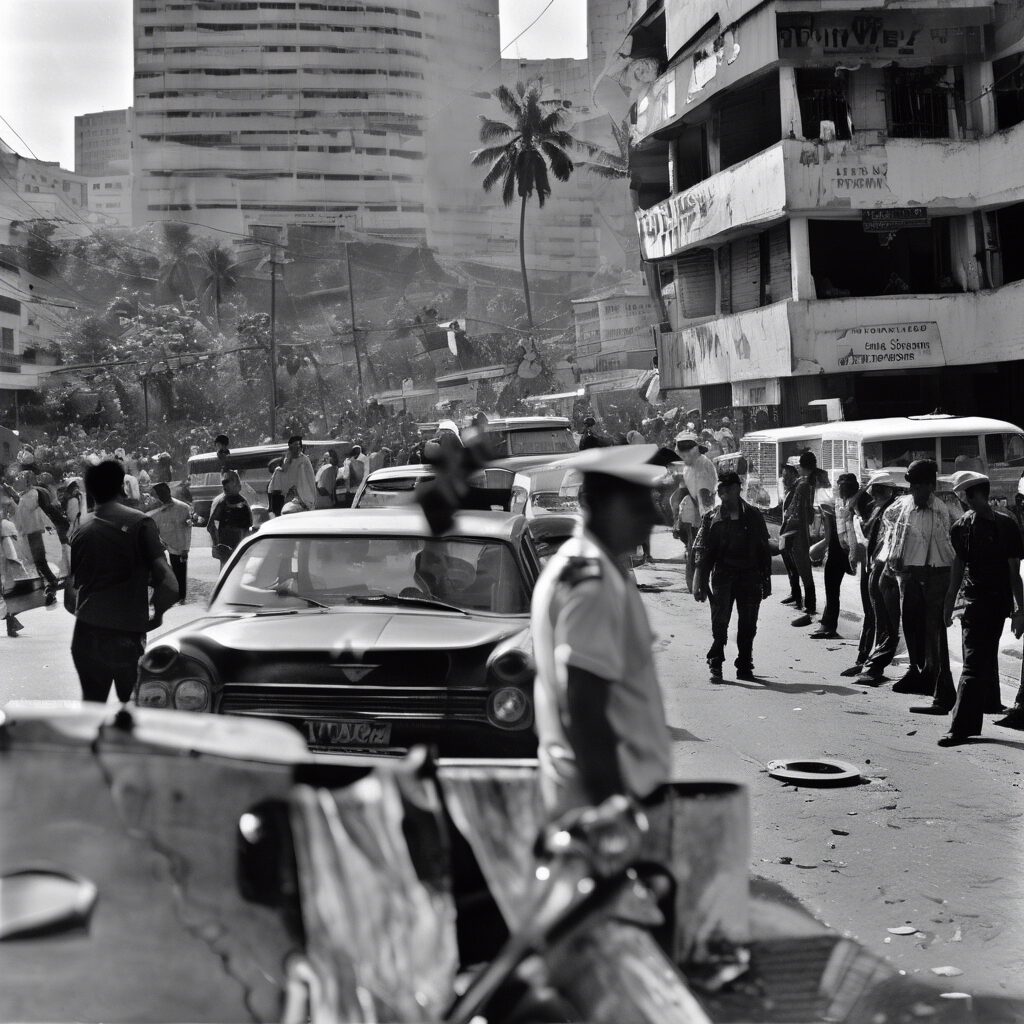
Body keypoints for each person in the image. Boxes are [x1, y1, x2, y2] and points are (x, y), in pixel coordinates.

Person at [531, 445, 672, 819]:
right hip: (605, 798)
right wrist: (613, 807)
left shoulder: (586, 566)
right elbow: (585, 704)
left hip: (599, 792)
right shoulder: (592, 582)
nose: (652, 519)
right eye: (640, 507)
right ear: (610, 507)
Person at [67, 459, 178, 702]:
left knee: (93, 709)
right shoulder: (141, 523)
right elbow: (170, 585)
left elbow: (69, 598)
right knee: (133, 711)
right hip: (126, 634)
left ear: (91, 492)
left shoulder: (81, 531)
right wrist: (156, 615)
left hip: (86, 635)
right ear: (122, 488)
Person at [937, 472, 1024, 746]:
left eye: (967, 496)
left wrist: (1020, 610)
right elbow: (958, 569)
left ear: (979, 495)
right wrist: (949, 604)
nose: (965, 501)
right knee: (975, 662)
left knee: (978, 662)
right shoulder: (961, 527)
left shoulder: (1007, 525)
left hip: (997, 605)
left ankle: (964, 723)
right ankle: (966, 722)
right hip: (974, 604)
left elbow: (1014, 572)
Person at [883, 459, 957, 714]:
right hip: (909, 574)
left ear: (929, 486)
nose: (913, 491)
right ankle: (916, 671)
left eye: (918, 486)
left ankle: (933, 679)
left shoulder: (940, 510)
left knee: (932, 630)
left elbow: (942, 546)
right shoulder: (905, 507)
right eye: (911, 487)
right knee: (910, 625)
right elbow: (889, 522)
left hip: (935, 574)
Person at [692, 470, 772, 681]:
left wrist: (766, 580)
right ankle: (716, 661)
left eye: (727, 489)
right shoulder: (711, 518)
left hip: (750, 576)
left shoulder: (754, 515)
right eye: (720, 489)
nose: (722, 493)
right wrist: (698, 582)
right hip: (723, 576)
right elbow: (702, 551)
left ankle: (744, 664)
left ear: (737, 488)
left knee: (748, 624)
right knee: (720, 622)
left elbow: (764, 548)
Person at [848, 471, 906, 681]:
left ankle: (874, 666)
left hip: (886, 568)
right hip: (874, 565)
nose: (874, 492)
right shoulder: (877, 508)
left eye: (879, 489)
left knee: (887, 622)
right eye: (873, 489)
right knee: (875, 617)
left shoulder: (893, 510)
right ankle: (867, 661)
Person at [812, 473, 861, 640]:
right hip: (837, 548)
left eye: (844, 487)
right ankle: (828, 625)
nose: (841, 490)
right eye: (840, 486)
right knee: (831, 587)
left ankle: (870, 633)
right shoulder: (839, 501)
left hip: (858, 551)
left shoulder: (861, 501)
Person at [671, 431, 717, 594]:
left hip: (702, 515)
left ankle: (700, 587)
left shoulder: (702, 465)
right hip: (692, 515)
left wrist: (704, 520)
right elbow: (681, 492)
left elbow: (704, 496)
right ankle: (697, 586)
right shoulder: (689, 465)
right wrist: (677, 518)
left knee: (699, 552)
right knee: (693, 550)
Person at [783, 451, 818, 627]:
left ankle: (810, 605)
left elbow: (796, 511)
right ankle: (809, 603)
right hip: (806, 528)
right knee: (804, 568)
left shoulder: (803, 485)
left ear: (801, 467)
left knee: (803, 568)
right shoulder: (813, 482)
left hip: (799, 531)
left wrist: (788, 527)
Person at [13, 486, 59, 608]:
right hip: (30, 531)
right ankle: (49, 583)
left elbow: (31, 508)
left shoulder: (32, 494)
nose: (19, 482)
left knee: (39, 559)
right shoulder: (25, 495)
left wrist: (18, 497)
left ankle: (51, 581)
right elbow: (21, 514)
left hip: (34, 531)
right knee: (37, 560)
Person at [148, 481, 193, 603]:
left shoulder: (183, 508)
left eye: (164, 492)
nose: (162, 496)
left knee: (180, 571)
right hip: (162, 544)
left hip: (177, 546)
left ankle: (181, 597)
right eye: (159, 494)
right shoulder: (155, 511)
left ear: (168, 491)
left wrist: (185, 549)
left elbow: (187, 530)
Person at [207, 470, 253, 566]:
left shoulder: (243, 501)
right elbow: (210, 526)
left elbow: (249, 526)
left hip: (241, 546)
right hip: (226, 547)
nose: (225, 485)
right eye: (224, 483)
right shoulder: (221, 502)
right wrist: (217, 545)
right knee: (227, 574)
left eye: (229, 481)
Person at [1, 494, 28, 636]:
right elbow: (10, 549)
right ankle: (11, 622)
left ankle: (11, 622)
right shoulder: (5, 525)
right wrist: (17, 562)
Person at [779, 464, 804, 609]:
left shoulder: (797, 489)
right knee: (789, 566)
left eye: (786, 476)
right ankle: (794, 593)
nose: (783, 479)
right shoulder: (789, 490)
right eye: (783, 476)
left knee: (794, 566)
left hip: (792, 534)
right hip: (786, 532)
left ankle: (798, 597)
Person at [275, 435, 317, 512]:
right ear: (290, 447)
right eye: (295, 445)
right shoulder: (288, 459)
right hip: (290, 495)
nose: (297, 447)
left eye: (298, 444)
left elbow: (306, 479)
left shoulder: (304, 460)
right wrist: (288, 459)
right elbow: (284, 472)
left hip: (304, 495)